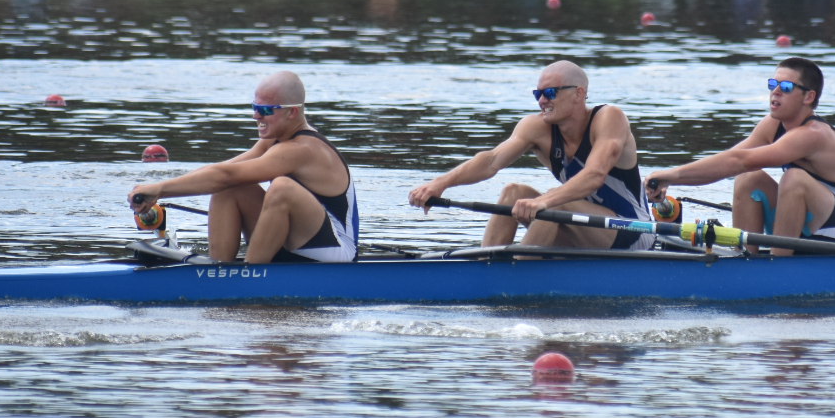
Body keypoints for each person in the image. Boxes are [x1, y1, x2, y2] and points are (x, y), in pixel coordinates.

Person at [407, 60, 652, 250]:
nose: (542, 101)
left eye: (551, 93)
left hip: (632, 230)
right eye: (538, 94)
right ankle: (487, 267)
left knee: (555, 203)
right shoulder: (536, 128)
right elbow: (491, 161)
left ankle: (519, 271)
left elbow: (594, 175)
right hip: (582, 226)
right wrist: (440, 184)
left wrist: (544, 202)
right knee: (514, 192)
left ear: (579, 94)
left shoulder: (609, 118)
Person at [646, 58, 835, 254]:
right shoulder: (772, 125)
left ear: (808, 97)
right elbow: (732, 160)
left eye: (785, 87)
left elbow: (738, 161)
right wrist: (670, 179)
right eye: (772, 84)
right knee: (748, 177)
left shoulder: (814, 135)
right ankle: (745, 258)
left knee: (794, 179)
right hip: (810, 225)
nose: (775, 91)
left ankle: (777, 266)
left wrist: (672, 175)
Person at [128, 71, 359, 264]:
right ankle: (219, 272)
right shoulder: (273, 141)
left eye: (266, 110)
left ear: (292, 112)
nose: (255, 115)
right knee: (230, 188)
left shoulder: (303, 149)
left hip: (333, 251)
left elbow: (225, 175)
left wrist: (160, 189)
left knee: (281, 188)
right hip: (296, 242)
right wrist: (156, 188)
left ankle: (248, 275)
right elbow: (222, 170)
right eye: (255, 106)